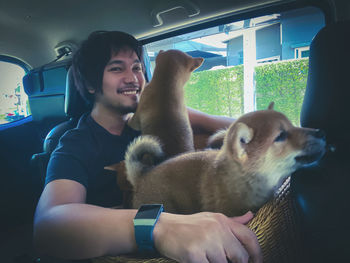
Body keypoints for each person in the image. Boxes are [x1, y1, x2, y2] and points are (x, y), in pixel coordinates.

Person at [33, 31, 262, 263]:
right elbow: (49, 224)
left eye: (136, 68)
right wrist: (159, 226)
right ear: (91, 84)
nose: (132, 78)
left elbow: (240, 128)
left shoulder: (159, 114)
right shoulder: (75, 143)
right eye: (116, 68)